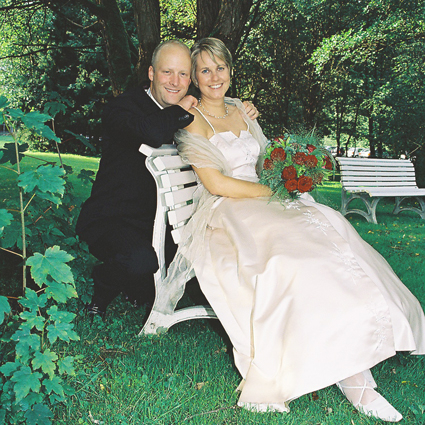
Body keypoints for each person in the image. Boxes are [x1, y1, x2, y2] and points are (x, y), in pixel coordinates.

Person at [168, 37, 425, 422]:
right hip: (233, 208)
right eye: (204, 70)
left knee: (331, 233)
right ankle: (355, 381)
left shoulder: (243, 110)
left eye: (220, 67)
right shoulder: (190, 121)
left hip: (269, 199)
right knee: (290, 259)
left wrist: (287, 176)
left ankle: (354, 347)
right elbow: (217, 183)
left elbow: (266, 161)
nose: (214, 76)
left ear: (231, 71)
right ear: (194, 77)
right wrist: (270, 192)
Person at [76, 39, 259, 317]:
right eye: (167, 72)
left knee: (172, 279)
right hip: (114, 218)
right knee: (139, 262)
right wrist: (182, 107)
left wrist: (243, 109)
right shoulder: (122, 107)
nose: (175, 81)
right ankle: (100, 290)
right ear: (151, 73)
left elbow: (217, 121)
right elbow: (150, 131)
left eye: (183, 74)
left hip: (163, 221)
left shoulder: (187, 113)